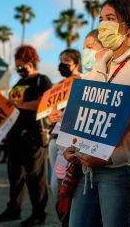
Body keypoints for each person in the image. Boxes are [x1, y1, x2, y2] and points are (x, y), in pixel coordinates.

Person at [63, 0, 130, 227]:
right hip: (87, 169)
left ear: (129, 26)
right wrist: (72, 146)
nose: (102, 25)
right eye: (100, 19)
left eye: (110, 18)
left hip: (123, 172)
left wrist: (110, 158)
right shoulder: (99, 67)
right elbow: (83, 115)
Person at [0, 45, 53, 226]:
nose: (19, 69)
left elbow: (45, 104)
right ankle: (14, 209)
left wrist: (19, 105)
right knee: (15, 175)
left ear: (31, 62)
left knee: (35, 177)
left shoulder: (42, 80)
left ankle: (38, 213)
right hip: (14, 135)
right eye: (17, 66)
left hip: (34, 135)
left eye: (22, 65)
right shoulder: (18, 83)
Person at [47, 49, 82, 227]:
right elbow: (49, 112)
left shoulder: (82, 82)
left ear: (76, 63)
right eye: (61, 60)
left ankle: (69, 220)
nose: (63, 64)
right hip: (54, 137)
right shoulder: (58, 86)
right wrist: (50, 117)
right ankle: (64, 219)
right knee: (55, 184)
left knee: (63, 182)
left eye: (67, 60)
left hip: (70, 138)